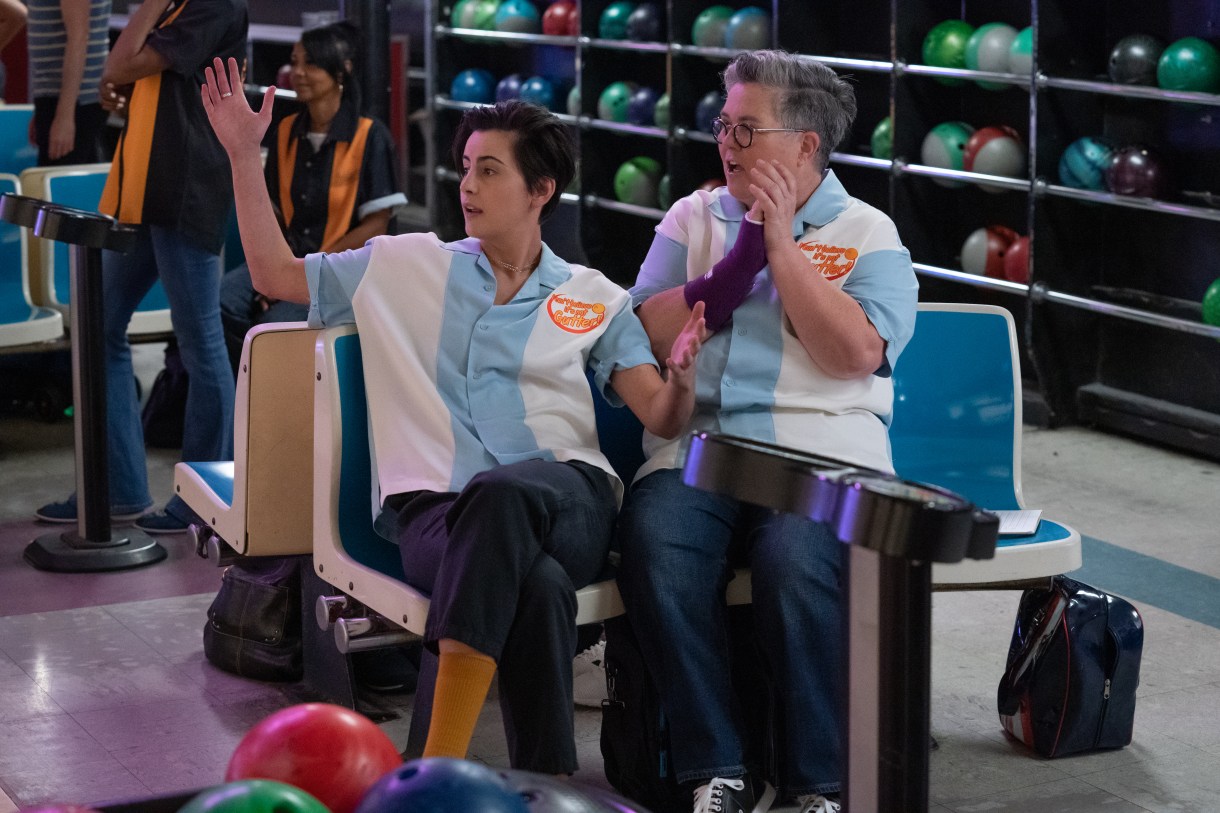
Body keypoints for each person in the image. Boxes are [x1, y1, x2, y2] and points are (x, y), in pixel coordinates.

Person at [202, 58, 705, 776]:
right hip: (434, 515)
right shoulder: (403, 264)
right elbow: (273, 275)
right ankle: (544, 782)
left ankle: (429, 767)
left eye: (490, 171)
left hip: (570, 499)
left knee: (506, 498)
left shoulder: (595, 295)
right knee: (535, 585)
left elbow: (658, 409)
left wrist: (681, 379)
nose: (467, 185)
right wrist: (243, 158)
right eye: (465, 167)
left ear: (541, 190)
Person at [616, 50, 919, 813]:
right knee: (659, 547)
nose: (729, 143)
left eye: (748, 128)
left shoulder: (866, 230)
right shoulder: (692, 217)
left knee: (794, 561)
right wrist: (734, 255)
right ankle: (715, 767)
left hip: (825, 456)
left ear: (807, 144)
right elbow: (645, 327)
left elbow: (852, 353)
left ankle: (820, 782)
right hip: (701, 450)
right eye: (724, 125)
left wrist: (780, 247)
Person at [34, 0, 248, 532]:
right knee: (98, 328)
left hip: (186, 190)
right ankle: (121, 487)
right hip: (144, 190)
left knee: (200, 342)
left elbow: (118, 63)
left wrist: (146, 14)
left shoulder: (211, 6)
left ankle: (203, 496)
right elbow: (136, 76)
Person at [219, 20, 404, 373]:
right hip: (286, 257)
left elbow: (377, 225)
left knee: (274, 323)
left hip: (336, 268)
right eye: (295, 61)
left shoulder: (371, 136)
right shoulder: (285, 130)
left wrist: (300, 273)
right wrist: (276, 270)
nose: (298, 72)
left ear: (342, 71)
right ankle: (249, 390)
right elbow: (270, 209)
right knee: (221, 303)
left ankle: (282, 392)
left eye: (311, 63)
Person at [27, 0, 112, 165]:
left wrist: (64, 116)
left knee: (57, 182)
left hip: (77, 100)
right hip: (65, 98)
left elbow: (78, 38)